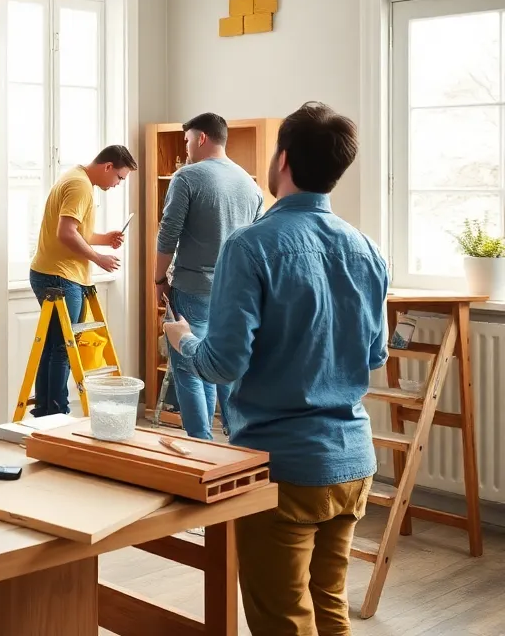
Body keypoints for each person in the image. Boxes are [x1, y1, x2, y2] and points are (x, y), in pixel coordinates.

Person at [162, 102, 387, 636]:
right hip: (353, 460)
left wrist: (185, 341)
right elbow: (374, 355)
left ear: (281, 160)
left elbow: (223, 363)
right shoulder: (367, 249)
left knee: (282, 621)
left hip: (282, 468)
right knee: (329, 609)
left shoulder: (251, 246)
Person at [155, 113, 262, 440]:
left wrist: (159, 279)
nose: (186, 148)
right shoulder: (250, 184)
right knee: (226, 369)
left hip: (192, 289)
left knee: (189, 369)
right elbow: (255, 241)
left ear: (201, 138)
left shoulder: (187, 177)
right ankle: (236, 443)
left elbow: (168, 234)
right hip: (235, 292)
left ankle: (201, 445)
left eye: (187, 140)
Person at [28, 145, 137, 417]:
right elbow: (66, 233)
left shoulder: (76, 177)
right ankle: (57, 412)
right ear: (108, 167)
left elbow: (74, 231)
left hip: (54, 272)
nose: (117, 184)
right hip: (60, 276)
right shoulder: (80, 186)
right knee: (63, 348)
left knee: (54, 345)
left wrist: (103, 238)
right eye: (119, 178)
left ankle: (46, 409)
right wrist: (99, 258)